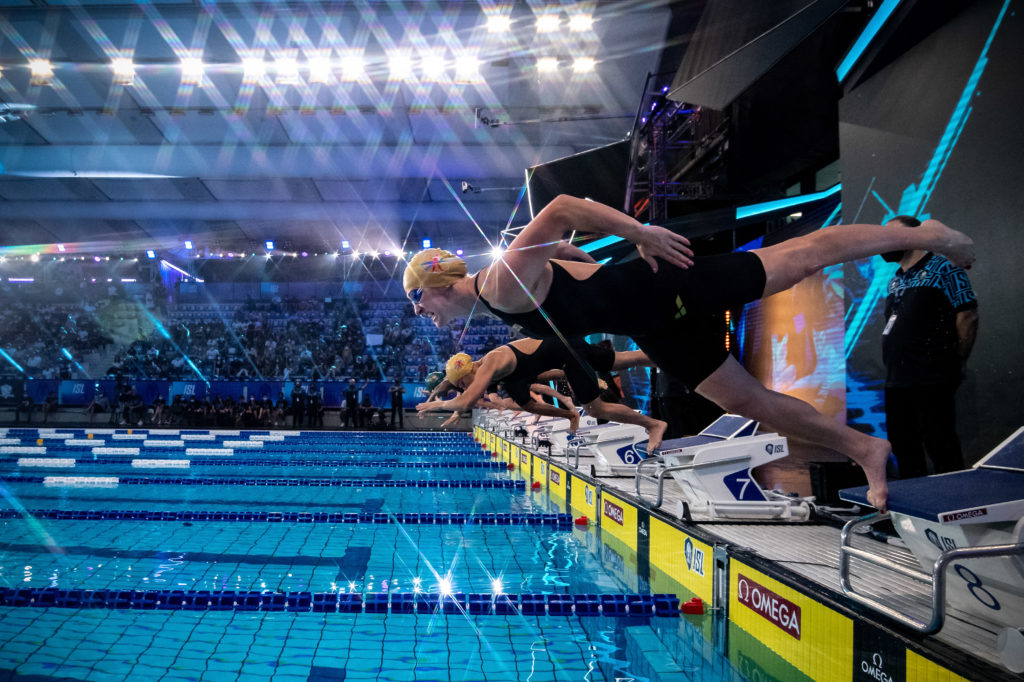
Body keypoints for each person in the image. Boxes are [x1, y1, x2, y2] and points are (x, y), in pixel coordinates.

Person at [403, 195, 976, 511]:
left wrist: (642, 234)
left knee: (800, 257)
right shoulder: (499, 299)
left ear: (436, 282)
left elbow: (559, 209)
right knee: (753, 401)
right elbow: (577, 266)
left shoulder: (501, 282)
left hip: (664, 288)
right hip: (651, 325)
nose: (418, 313)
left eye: (416, 300)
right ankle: (864, 448)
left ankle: (927, 235)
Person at [417, 339, 667, 445]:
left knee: (596, 407)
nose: (461, 388)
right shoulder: (495, 372)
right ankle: (667, 358)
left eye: (460, 384)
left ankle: (653, 424)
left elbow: (468, 400)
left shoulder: (492, 361)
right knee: (622, 359)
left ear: (467, 373)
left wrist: (437, 406)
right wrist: (437, 395)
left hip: (567, 352)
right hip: (563, 355)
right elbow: (541, 376)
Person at [880, 215, 979, 479]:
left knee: (941, 444)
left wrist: (954, 359)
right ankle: (913, 512)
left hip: (931, 375)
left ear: (914, 237)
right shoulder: (895, 279)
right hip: (896, 379)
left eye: (891, 236)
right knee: (903, 447)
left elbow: (967, 314)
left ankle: (955, 507)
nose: (883, 243)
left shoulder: (943, 267)